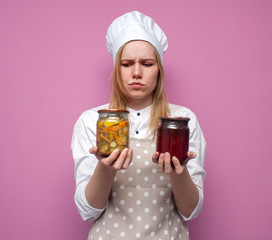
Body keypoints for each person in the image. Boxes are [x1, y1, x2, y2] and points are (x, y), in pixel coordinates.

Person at [71, 11, 206, 240]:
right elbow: (87, 210)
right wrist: (105, 168)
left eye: (146, 63)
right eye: (126, 64)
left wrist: (178, 173)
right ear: (116, 69)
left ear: (159, 70)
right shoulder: (92, 121)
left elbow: (190, 211)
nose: (136, 72)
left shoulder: (181, 120)